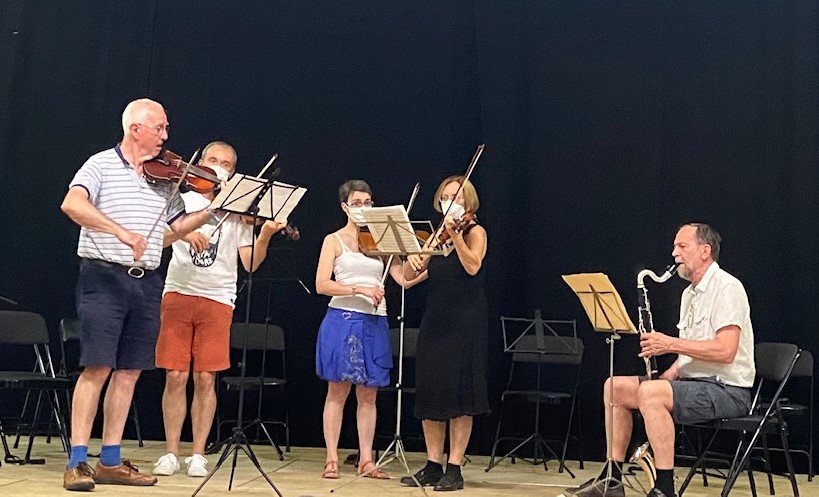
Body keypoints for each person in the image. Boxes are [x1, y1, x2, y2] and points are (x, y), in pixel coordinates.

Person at [60, 98, 213, 491]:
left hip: (146, 283)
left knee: (129, 372)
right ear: (136, 129)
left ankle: (110, 459)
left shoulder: (165, 180)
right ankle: (78, 460)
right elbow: (72, 203)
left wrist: (214, 209)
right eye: (160, 128)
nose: (166, 136)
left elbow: (174, 229)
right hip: (103, 277)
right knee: (97, 367)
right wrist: (120, 231)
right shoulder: (100, 164)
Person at [564, 223, 755, 497]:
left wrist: (668, 344)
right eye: (675, 246)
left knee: (652, 393)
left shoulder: (727, 288)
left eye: (682, 246)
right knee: (614, 387)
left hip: (727, 391)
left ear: (705, 251)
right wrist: (671, 372)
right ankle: (613, 480)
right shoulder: (689, 293)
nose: (674, 253)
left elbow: (726, 351)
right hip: (695, 383)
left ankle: (664, 488)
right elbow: (693, 350)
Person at [150, 141, 286, 478]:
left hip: (219, 297)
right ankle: (170, 451)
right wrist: (185, 234)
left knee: (206, 377)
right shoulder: (185, 197)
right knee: (175, 375)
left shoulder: (238, 208)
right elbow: (158, 235)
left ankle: (198, 453)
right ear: (201, 163)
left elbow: (250, 263)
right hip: (179, 291)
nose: (219, 168)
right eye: (213, 160)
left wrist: (265, 234)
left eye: (226, 163)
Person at [315, 180, 422, 480]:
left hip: (374, 321)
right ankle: (332, 459)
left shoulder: (382, 241)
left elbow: (403, 279)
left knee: (369, 395)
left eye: (368, 202)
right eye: (358, 203)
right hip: (342, 319)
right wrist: (358, 288)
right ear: (345, 207)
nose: (364, 208)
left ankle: (366, 460)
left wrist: (424, 262)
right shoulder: (333, 240)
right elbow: (322, 284)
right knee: (337, 391)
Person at [401, 175, 490, 492]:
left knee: (460, 395)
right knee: (432, 392)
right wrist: (413, 257)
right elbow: (409, 278)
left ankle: (455, 467)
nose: (452, 202)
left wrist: (457, 236)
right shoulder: (435, 236)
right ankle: (432, 463)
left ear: (469, 203)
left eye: (458, 198)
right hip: (435, 321)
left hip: (465, 321)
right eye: (447, 197)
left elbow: (472, 266)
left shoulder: (475, 231)